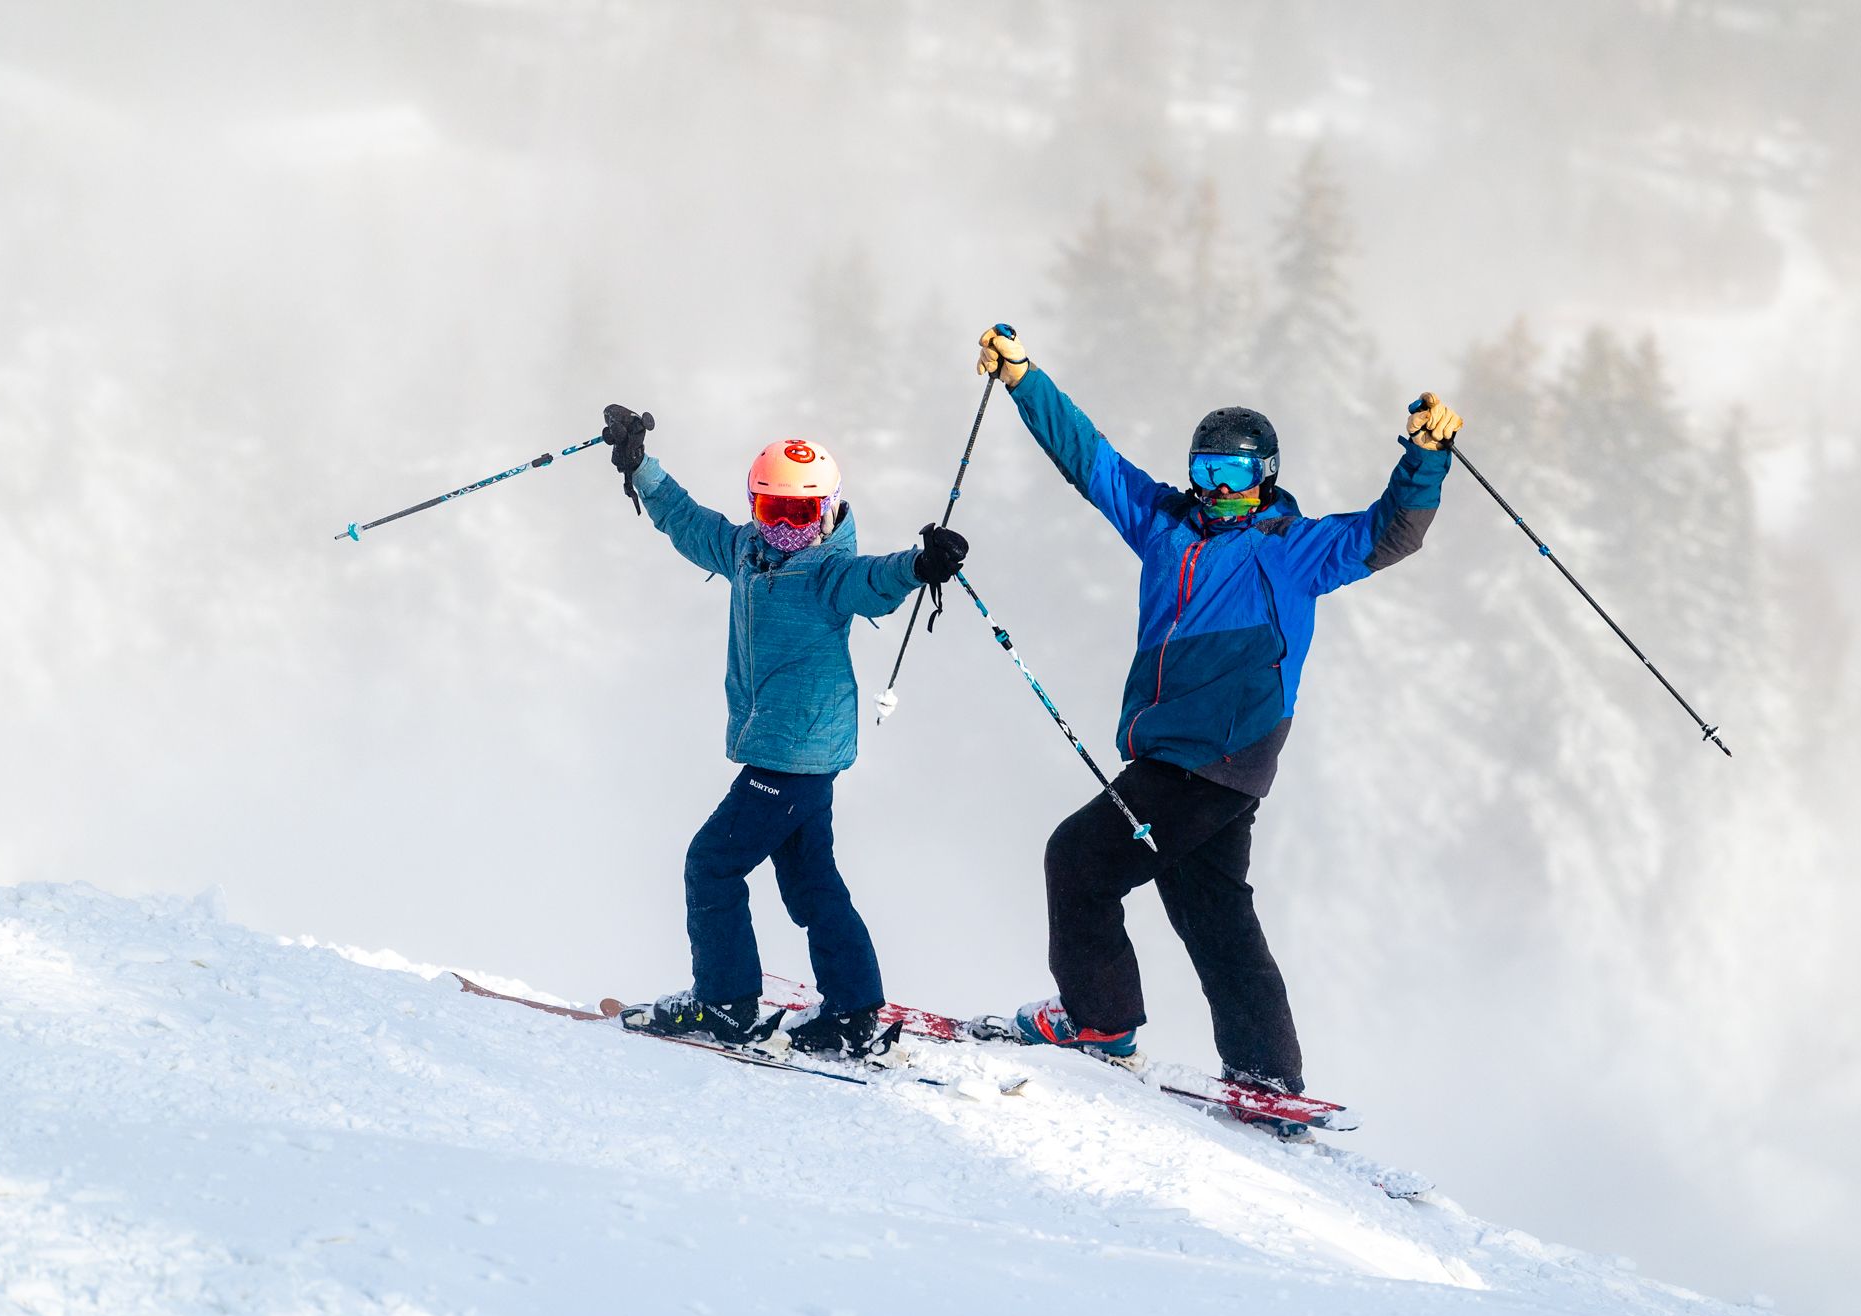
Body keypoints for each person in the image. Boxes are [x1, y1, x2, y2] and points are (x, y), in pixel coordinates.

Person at [970, 326, 1461, 1093]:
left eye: (1234, 473)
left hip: (1209, 757)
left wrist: (1425, 457)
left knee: (1079, 858)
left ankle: (1099, 1021)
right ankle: (1267, 1070)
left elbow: (1391, 530)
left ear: (1265, 476)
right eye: (1206, 470)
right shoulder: (1164, 525)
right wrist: (1025, 380)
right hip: (1195, 763)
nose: (1218, 487)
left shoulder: (1294, 549)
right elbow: (1088, 458)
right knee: (1216, 914)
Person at [599, 403, 968, 1058]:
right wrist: (641, 468)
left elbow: (875, 580)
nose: (789, 531)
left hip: (792, 754)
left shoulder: (827, 572)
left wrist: (920, 565)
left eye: (803, 515)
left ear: (828, 510)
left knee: (710, 863)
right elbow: (689, 524)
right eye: (775, 513)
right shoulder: (747, 551)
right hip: (801, 753)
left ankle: (726, 1005)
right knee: (811, 881)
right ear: (756, 508)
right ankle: (854, 1013)